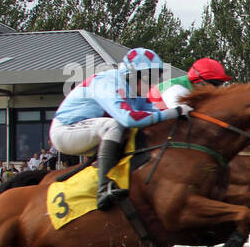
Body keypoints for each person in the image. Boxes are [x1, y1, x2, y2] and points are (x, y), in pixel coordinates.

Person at [50, 47, 191, 209]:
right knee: (116, 125)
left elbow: (155, 116)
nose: (154, 84)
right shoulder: (109, 82)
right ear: (133, 76)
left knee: (132, 131)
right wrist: (175, 111)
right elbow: (129, 118)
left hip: (90, 131)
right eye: (150, 79)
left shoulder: (136, 93)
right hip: (65, 131)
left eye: (157, 78)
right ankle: (103, 189)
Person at [150, 57, 232, 110]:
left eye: (222, 83)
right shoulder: (175, 89)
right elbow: (186, 115)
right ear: (199, 81)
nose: (218, 89)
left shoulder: (191, 88)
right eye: (215, 84)